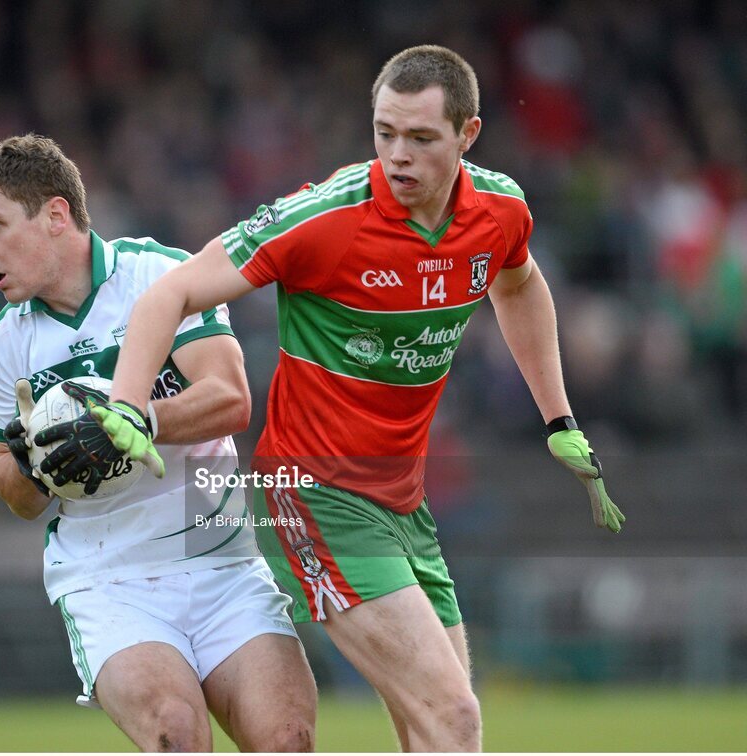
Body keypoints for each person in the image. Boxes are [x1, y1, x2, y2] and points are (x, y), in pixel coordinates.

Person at [81, 45, 626, 751]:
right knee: (453, 717)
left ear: (468, 136)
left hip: (403, 500)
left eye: (421, 138)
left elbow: (517, 283)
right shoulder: (324, 217)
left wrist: (558, 417)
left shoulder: (499, 212)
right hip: (313, 493)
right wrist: (127, 405)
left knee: (442, 730)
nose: (397, 155)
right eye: (384, 132)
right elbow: (172, 291)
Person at [0, 134, 316, 752]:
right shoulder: (2, 346)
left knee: (288, 739)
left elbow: (230, 398)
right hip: (108, 578)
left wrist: (133, 420)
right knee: (177, 733)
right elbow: (13, 493)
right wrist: (35, 459)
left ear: (56, 215)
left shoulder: (160, 274)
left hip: (220, 560)